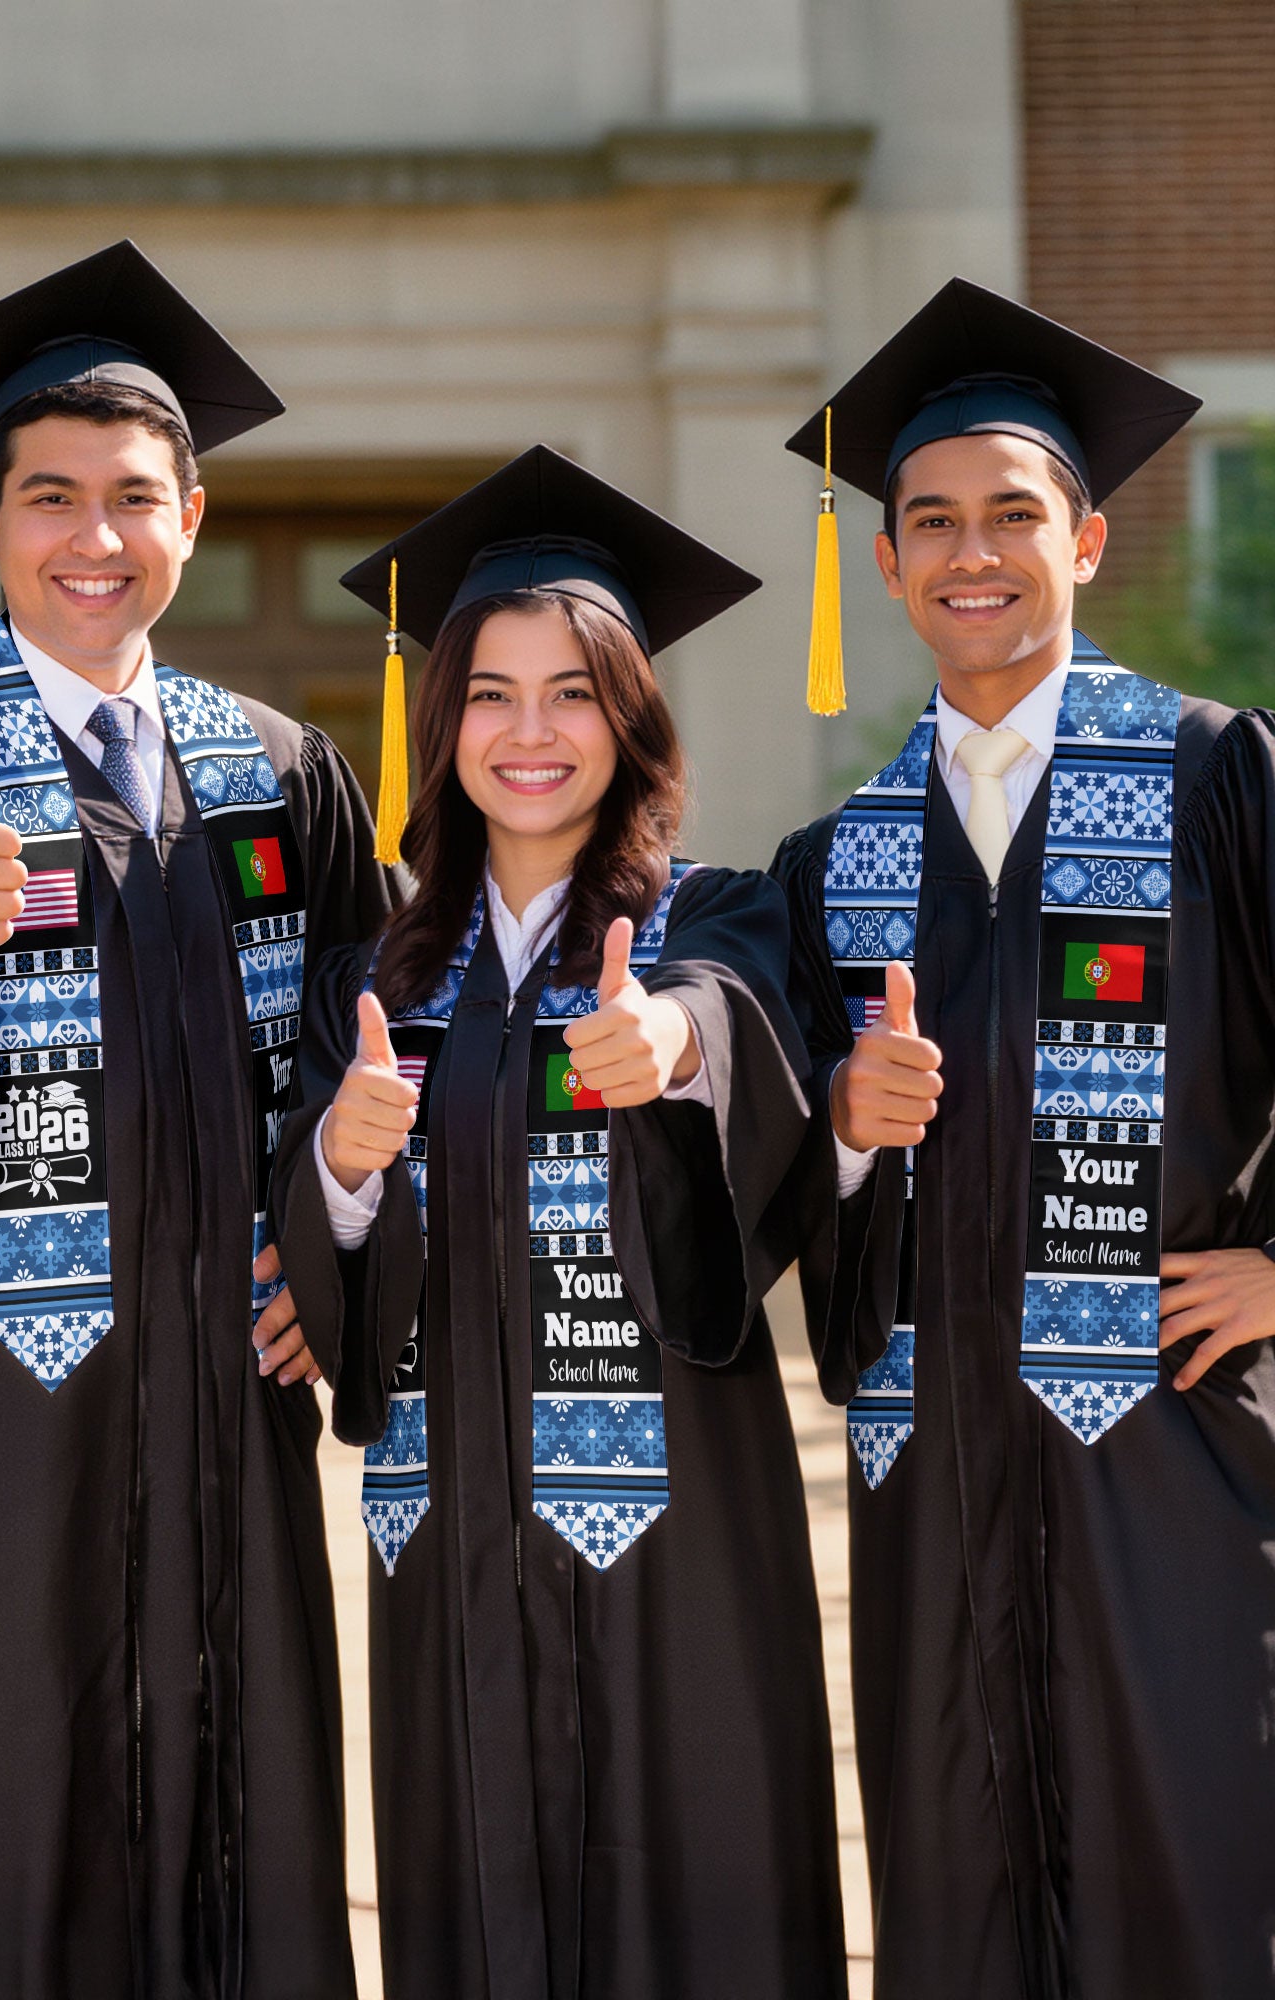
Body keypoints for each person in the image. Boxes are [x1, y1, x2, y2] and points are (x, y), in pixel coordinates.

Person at [0, 241, 395, 1999]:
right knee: (9, 1833)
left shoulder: (281, 766)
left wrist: (335, 1251)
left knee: (250, 1815)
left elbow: (383, 1041)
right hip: (6, 1416)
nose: (94, 538)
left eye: (135, 498)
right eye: (51, 499)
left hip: (231, 1400)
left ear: (192, 515)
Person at [271, 446, 846, 1998]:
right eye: (491, 694)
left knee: (700, 1897)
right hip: (448, 1524)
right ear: (441, 720)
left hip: (675, 1527)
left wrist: (671, 1047)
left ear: (633, 717)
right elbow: (328, 1265)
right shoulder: (376, 981)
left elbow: (742, 1031)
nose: (532, 733)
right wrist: (339, 1159)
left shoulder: (714, 916)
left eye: (575, 692)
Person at [772, 279, 1275, 1999]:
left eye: (1012, 515)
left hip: (1174, 1447)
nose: (969, 552)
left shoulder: (1217, 777)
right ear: (892, 562)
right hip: (937, 1473)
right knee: (957, 1882)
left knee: (1194, 1869)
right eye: (930, 522)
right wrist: (841, 1131)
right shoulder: (840, 859)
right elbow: (775, 1178)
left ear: (1089, 539)